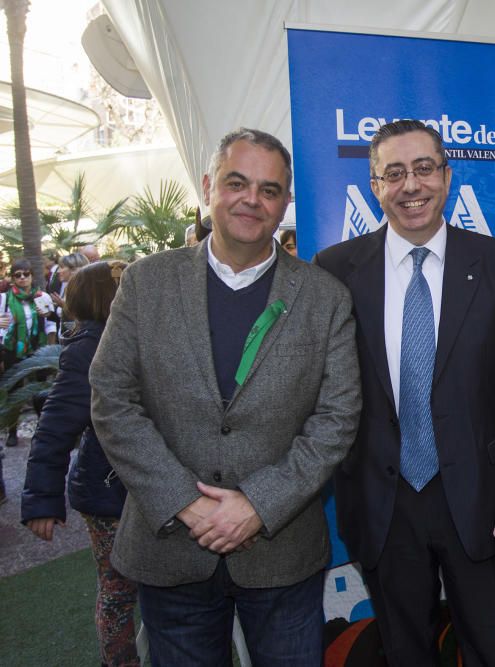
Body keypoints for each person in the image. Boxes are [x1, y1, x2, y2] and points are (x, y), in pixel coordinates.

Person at [90, 127, 362, 666]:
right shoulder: (146, 283)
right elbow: (112, 399)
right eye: (237, 183)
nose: (251, 200)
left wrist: (259, 505)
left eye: (269, 189)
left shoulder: (325, 296)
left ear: (285, 202)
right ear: (210, 185)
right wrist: (185, 503)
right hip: (170, 550)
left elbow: (337, 418)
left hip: (281, 555)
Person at [315, 119, 495, 666]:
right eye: (393, 173)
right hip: (383, 501)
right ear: (375, 186)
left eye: (424, 168)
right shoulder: (336, 271)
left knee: (494, 647)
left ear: (447, 176)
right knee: (405, 652)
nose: (411, 185)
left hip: (482, 498)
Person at [21, 260, 139, 666]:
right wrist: (41, 500)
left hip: (141, 488)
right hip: (107, 494)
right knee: (119, 590)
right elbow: (55, 427)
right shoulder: (89, 347)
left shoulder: (135, 335)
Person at [0, 258, 58, 448]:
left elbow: (51, 324)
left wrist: (49, 345)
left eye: (26, 274)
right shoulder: (4, 298)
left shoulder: (42, 296)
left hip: (38, 350)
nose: (23, 278)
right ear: (13, 278)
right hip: (12, 352)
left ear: (32, 276)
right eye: (18, 275)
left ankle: (44, 429)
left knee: (41, 390)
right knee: (14, 391)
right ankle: (12, 431)